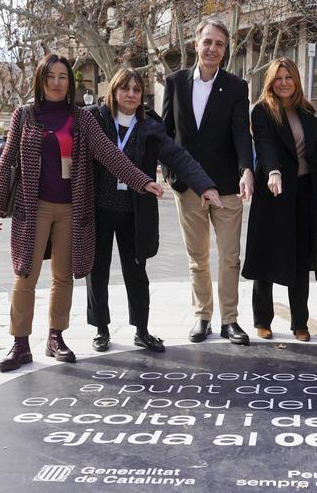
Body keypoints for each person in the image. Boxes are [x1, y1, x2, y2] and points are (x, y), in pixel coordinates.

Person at [0, 53, 164, 373]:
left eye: (63, 77)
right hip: (34, 207)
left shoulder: (81, 118)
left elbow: (110, 154)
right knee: (25, 273)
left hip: (72, 208)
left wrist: (142, 181)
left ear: (70, 82)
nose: (56, 83)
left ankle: (56, 337)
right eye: (50, 77)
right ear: (41, 80)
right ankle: (21, 343)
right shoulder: (24, 115)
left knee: (63, 277)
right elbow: (7, 159)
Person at [85, 68, 221, 353]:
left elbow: (179, 157)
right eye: (125, 89)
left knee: (136, 272)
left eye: (137, 90)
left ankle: (142, 330)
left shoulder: (150, 127)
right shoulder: (96, 120)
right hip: (99, 209)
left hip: (135, 213)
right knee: (97, 270)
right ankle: (101, 329)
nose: (132, 94)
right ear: (114, 91)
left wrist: (205, 186)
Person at [163, 18, 254, 346]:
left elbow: (242, 131)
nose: (213, 48)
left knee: (230, 257)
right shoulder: (174, 82)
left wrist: (247, 169)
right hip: (187, 186)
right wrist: (170, 172)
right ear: (195, 44)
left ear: (225, 49)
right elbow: (165, 133)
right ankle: (203, 316)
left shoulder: (236, 87)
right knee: (197, 257)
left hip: (227, 186)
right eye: (208, 42)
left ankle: (230, 320)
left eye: (219, 44)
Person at [242, 58, 317, 342]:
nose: (284, 82)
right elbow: (264, 144)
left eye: (288, 77)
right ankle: (262, 319)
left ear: (296, 80)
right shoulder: (262, 111)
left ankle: (300, 322)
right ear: (270, 82)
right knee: (267, 255)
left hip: (303, 193)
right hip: (273, 192)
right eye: (278, 78)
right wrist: (273, 171)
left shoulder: (308, 112)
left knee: (300, 257)